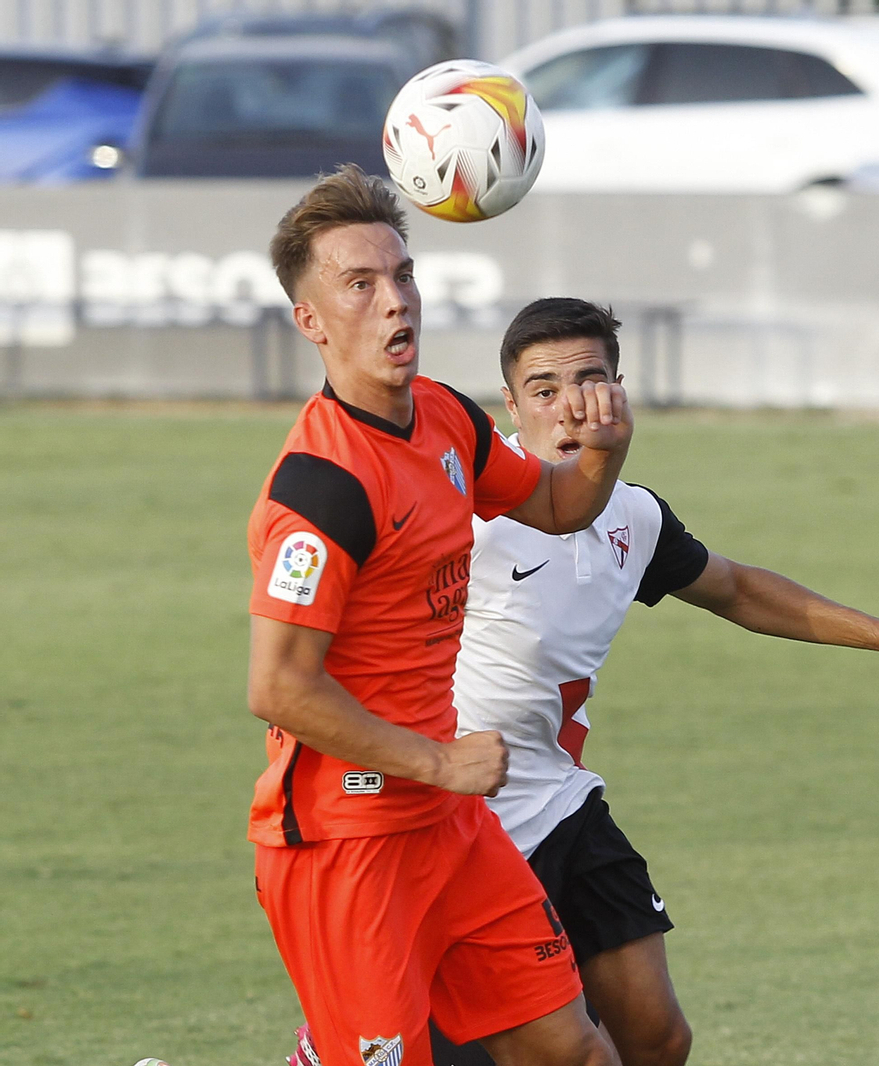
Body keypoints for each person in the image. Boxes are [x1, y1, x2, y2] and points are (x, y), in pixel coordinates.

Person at [394, 297, 879, 1066]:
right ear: (511, 408)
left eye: (590, 380)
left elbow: (737, 589)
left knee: (658, 1038)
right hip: (467, 823)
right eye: (544, 390)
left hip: (561, 803)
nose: (571, 405)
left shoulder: (635, 518)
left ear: (620, 390)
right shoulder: (466, 514)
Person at [247, 166, 633, 1066]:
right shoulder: (321, 488)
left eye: (403, 274)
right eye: (360, 284)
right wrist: (438, 760)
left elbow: (556, 504)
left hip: (451, 829)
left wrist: (603, 453)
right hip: (346, 843)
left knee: (576, 1052)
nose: (395, 301)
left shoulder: (445, 416)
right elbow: (278, 688)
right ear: (311, 321)